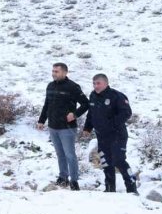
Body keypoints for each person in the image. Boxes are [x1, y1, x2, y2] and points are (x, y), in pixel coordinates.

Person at [36, 63, 89, 191]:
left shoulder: (73, 87)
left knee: (70, 155)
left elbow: (85, 104)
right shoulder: (50, 86)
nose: (54, 73)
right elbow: (46, 105)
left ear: (65, 73)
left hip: (67, 128)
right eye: (53, 71)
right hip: (53, 126)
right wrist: (41, 120)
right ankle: (63, 177)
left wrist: (75, 114)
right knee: (60, 154)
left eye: (56, 71)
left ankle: (74, 181)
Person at [82, 74, 138, 194]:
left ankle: (132, 188)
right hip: (102, 136)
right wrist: (87, 128)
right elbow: (91, 114)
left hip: (117, 134)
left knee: (119, 160)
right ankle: (110, 188)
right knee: (106, 162)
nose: (95, 86)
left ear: (106, 83)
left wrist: (111, 124)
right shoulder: (92, 96)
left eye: (98, 83)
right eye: (94, 83)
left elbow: (127, 113)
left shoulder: (116, 96)